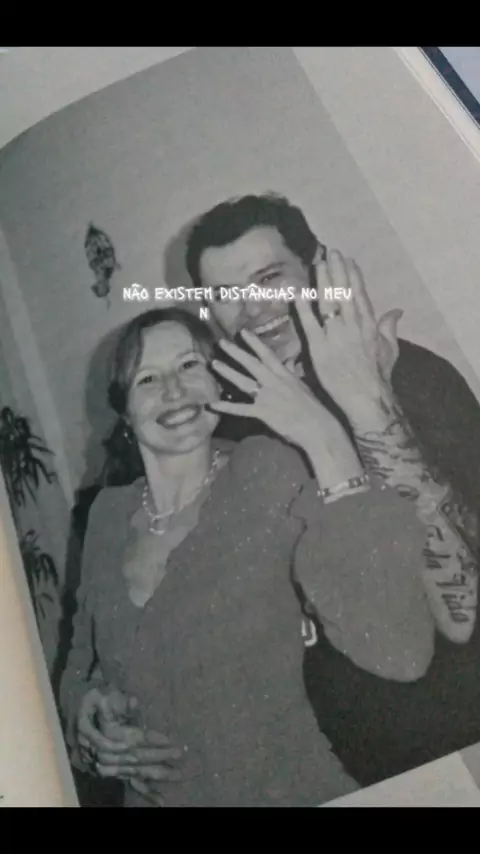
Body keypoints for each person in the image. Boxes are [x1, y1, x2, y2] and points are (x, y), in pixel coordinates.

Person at [60, 306, 437, 808]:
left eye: (189, 365)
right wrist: (85, 712)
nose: (174, 389)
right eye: (148, 378)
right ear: (125, 411)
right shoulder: (107, 515)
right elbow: (79, 660)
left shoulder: (262, 471)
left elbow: (399, 651)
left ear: (217, 381)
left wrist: (324, 438)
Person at [184, 192, 480, 784]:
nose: (253, 309)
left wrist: (368, 405)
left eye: (269, 278)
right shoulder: (227, 424)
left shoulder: (409, 376)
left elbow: (464, 612)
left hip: (454, 733)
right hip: (330, 761)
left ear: (317, 270)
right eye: (226, 294)